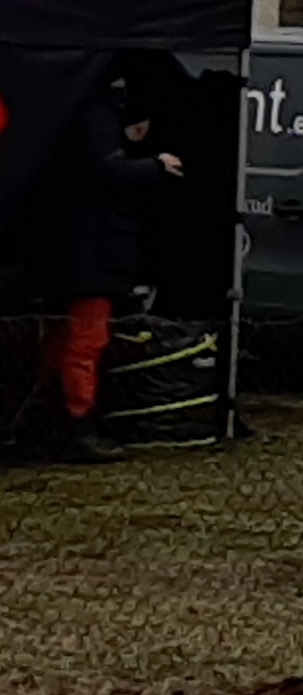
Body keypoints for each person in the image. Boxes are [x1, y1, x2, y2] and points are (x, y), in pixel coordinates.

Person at [36, 63, 184, 457]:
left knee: (63, 338)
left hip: (68, 250)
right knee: (87, 339)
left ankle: (54, 416)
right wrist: (157, 165)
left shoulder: (63, 113)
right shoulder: (96, 116)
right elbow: (109, 170)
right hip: (92, 254)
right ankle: (77, 424)